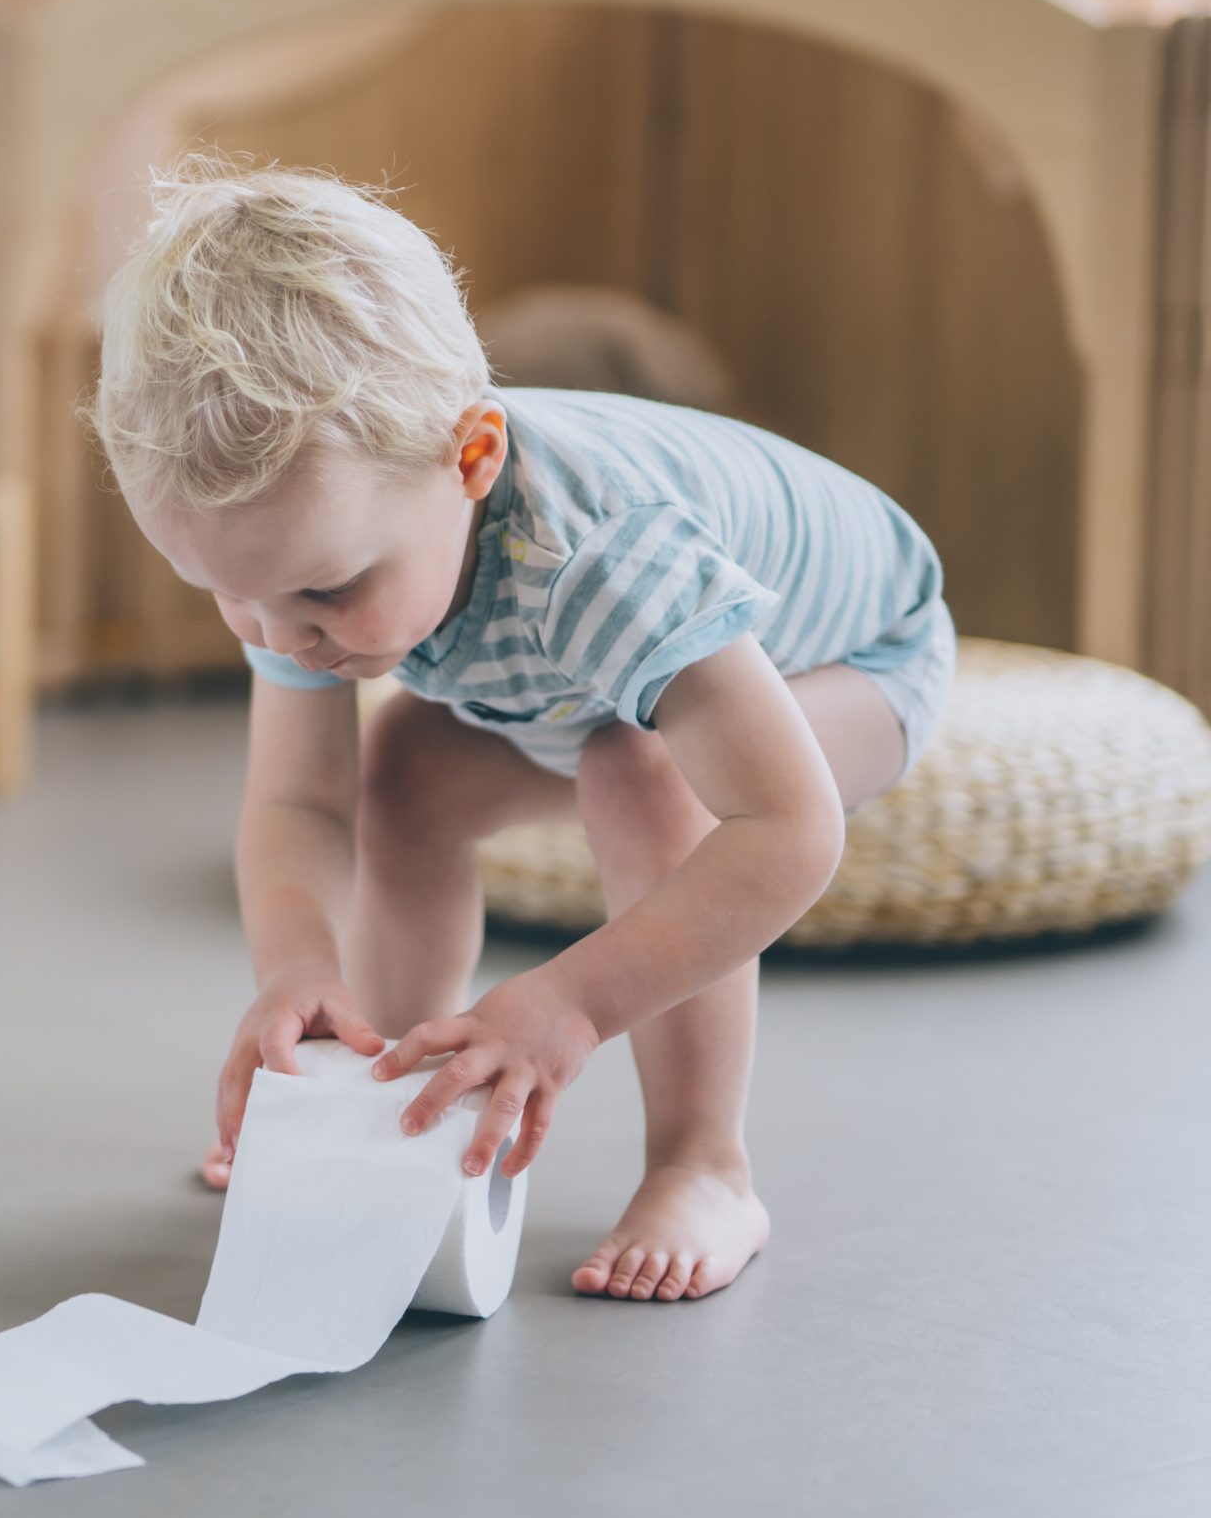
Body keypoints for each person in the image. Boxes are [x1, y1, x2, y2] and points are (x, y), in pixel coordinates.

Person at [86, 158, 954, 1302]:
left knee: (633, 768)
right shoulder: (282, 560)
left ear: (472, 457)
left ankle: (704, 1164)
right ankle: (391, 1097)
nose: (283, 637)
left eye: (329, 594)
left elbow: (785, 827)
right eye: (232, 598)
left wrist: (566, 1006)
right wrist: (295, 971)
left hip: (849, 663)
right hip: (574, 680)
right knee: (402, 770)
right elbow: (298, 804)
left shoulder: (598, 557)